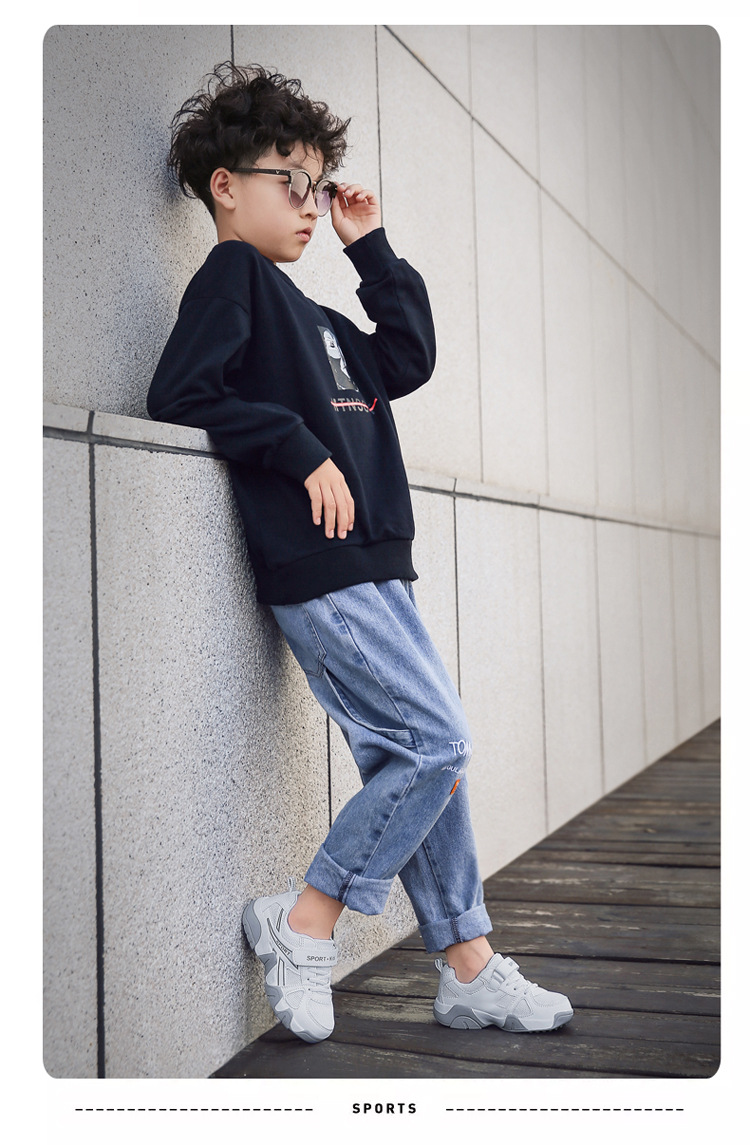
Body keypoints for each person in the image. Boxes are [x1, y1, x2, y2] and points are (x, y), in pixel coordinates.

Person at [147, 62, 573, 1045]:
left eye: (317, 183)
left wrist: (368, 244)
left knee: (425, 758)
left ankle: (468, 966)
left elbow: (408, 356)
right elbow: (182, 393)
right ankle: (305, 921)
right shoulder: (233, 279)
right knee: (435, 743)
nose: (309, 203)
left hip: (379, 567)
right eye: (290, 181)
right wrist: (298, 448)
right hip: (325, 567)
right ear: (225, 186)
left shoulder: (318, 317)